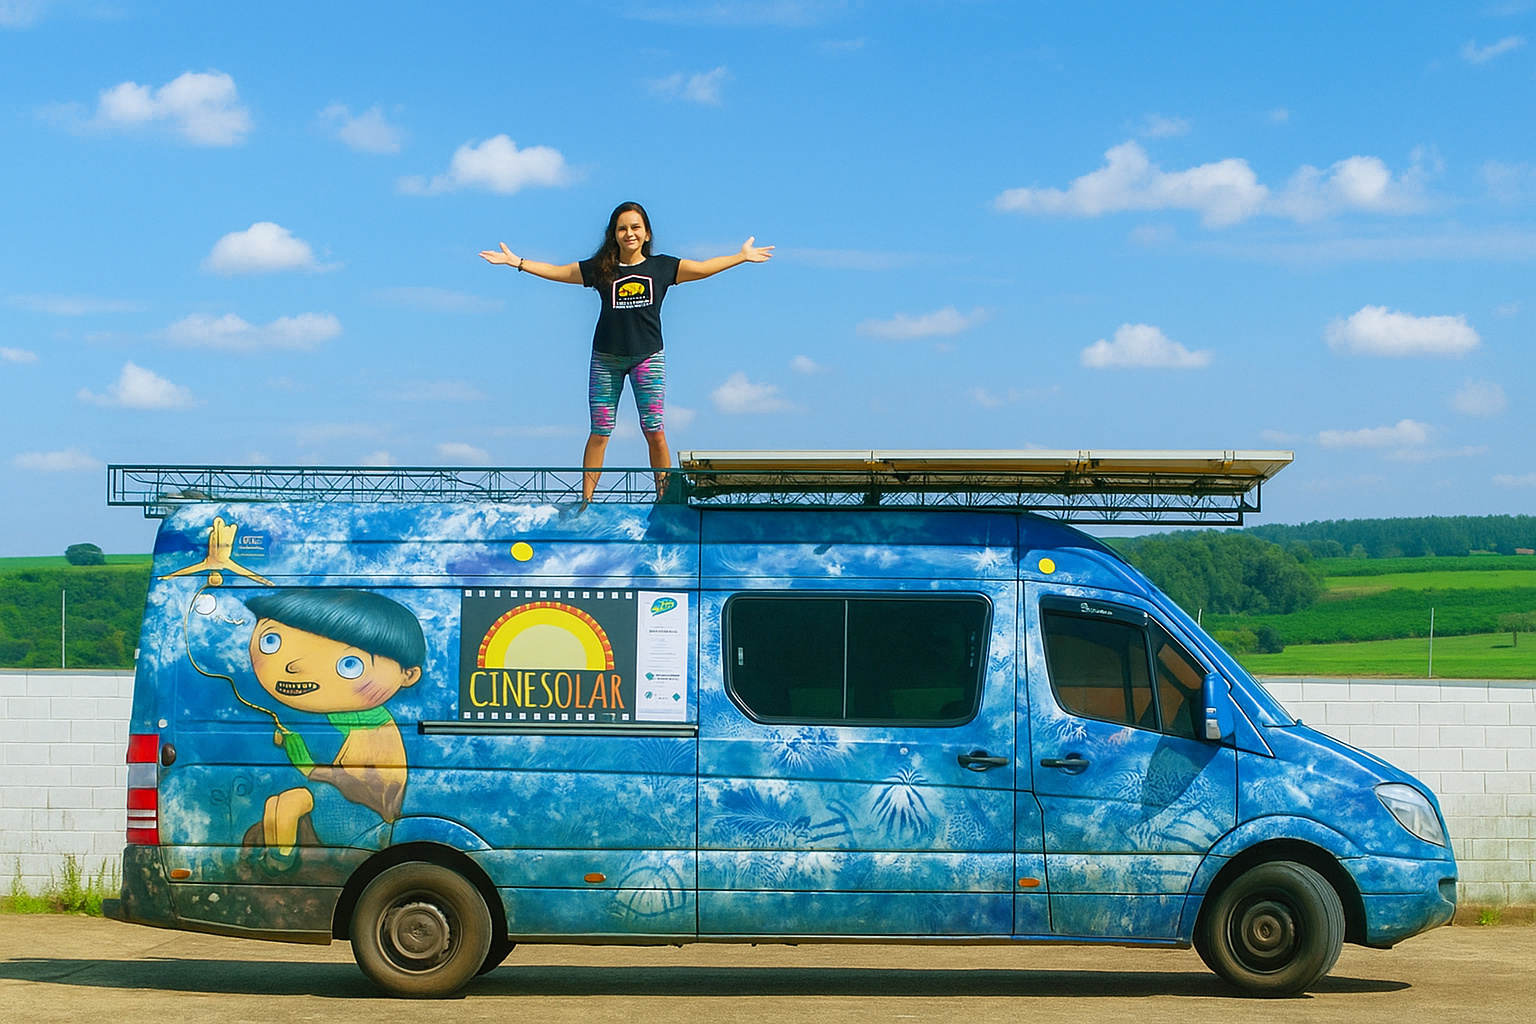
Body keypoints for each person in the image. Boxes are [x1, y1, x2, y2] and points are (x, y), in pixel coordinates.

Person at [481, 202, 772, 503]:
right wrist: (517, 262)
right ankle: (587, 500)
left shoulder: (662, 267)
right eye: (622, 228)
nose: (629, 233)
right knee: (600, 431)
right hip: (606, 358)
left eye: (635, 227)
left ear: (646, 234)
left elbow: (702, 268)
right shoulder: (601, 269)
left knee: (654, 431)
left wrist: (740, 257)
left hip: (648, 356)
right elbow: (560, 272)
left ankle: (665, 498)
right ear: (614, 235)